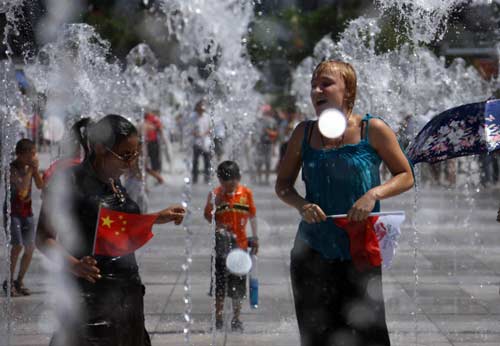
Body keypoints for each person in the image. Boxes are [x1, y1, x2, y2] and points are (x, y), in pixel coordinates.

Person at [275, 60, 414, 346]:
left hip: (359, 250)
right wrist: (301, 205)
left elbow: (405, 175)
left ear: (348, 90)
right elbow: (283, 185)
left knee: (369, 335)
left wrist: (373, 194)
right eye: (314, 84)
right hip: (312, 251)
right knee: (317, 337)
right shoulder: (305, 132)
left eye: (326, 83)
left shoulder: (371, 129)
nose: (316, 90)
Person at [35, 114, 186, 346]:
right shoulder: (68, 182)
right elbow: (43, 238)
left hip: (127, 295)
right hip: (89, 296)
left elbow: (114, 227)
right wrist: (74, 265)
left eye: (135, 154)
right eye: (125, 155)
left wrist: (156, 218)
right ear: (100, 148)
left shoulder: (114, 181)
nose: (131, 162)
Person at [203, 161, 258, 332]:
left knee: (238, 284)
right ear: (219, 180)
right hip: (220, 245)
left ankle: (236, 318)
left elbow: (253, 216)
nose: (229, 186)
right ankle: (218, 318)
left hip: (240, 246)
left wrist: (255, 237)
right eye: (225, 183)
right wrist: (217, 206)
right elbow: (207, 215)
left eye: (233, 182)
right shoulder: (215, 194)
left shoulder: (246, 193)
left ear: (238, 178)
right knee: (220, 283)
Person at [2, 139, 44, 296]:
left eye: (34, 153)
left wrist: (35, 171)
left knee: (30, 248)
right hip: (13, 214)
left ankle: (19, 281)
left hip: (27, 213)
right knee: (17, 246)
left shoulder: (30, 169)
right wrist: (30, 171)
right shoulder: (10, 169)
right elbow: (22, 189)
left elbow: (40, 185)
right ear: (20, 154)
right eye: (30, 154)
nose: (33, 157)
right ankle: (9, 281)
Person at [254, 105, 278, 185]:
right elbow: (254, 133)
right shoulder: (258, 121)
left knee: (268, 162)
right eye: (264, 111)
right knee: (259, 162)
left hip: (269, 144)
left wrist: (274, 147)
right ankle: (259, 180)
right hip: (259, 144)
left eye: (267, 111)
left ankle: (266, 180)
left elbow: (275, 133)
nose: (265, 113)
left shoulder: (272, 121)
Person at [192, 100, 212, 184]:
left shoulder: (207, 117)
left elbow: (210, 128)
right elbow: (189, 128)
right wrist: (195, 133)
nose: (201, 110)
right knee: (195, 161)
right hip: (196, 142)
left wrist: (204, 133)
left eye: (202, 108)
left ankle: (207, 177)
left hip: (206, 142)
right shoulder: (193, 117)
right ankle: (195, 178)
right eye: (199, 108)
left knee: (207, 160)